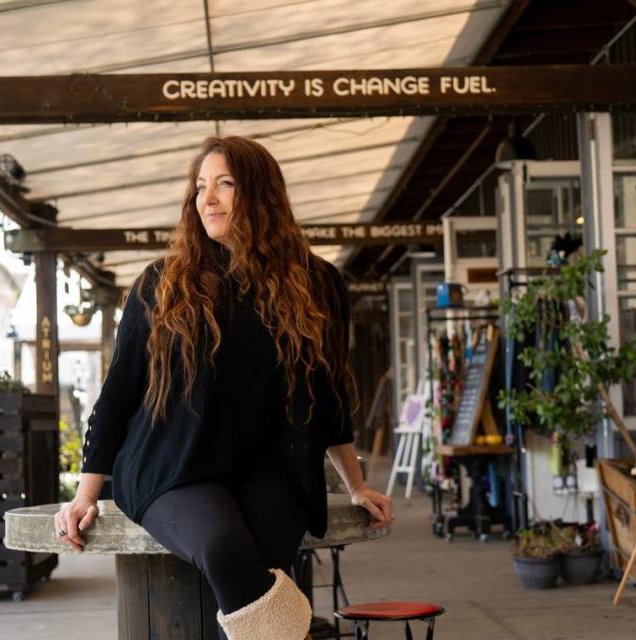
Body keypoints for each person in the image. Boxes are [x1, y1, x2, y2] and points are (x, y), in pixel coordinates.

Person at [54, 136, 393, 640]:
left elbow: (329, 395)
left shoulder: (317, 282)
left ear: (261, 194)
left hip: (270, 466)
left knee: (258, 568)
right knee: (222, 548)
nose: (207, 199)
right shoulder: (163, 282)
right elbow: (119, 393)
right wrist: (86, 493)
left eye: (224, 185)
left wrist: (355, 482)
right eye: (200, 188)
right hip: (174, 465)